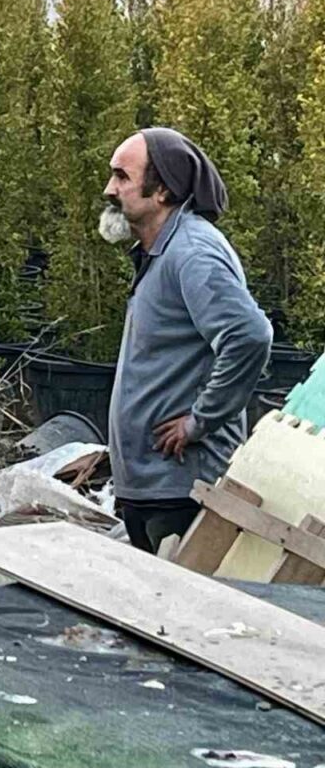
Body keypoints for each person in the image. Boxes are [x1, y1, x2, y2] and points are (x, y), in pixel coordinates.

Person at [101, 127, 273, 554]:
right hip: (153, 490)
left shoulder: (192, 252)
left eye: (122, 177)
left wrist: (199, 421)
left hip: (181, 491)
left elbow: (249, 336)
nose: (110, 189)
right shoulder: (162, 251)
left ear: (162, 190)